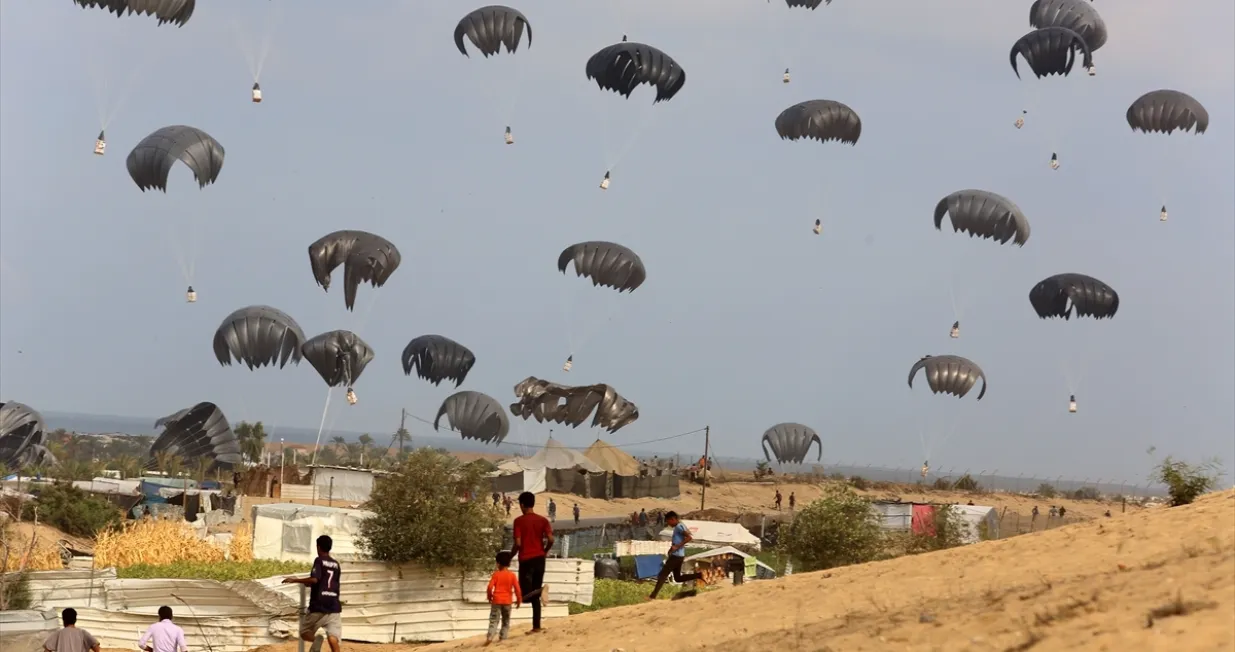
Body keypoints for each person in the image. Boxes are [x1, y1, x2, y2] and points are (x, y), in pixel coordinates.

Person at [283, 535, 342, 652]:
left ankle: (316, 640)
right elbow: (328, 582)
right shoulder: (336, 564)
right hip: (333, 605)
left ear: (318, 547)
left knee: (304, 632)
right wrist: (310, 583)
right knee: (333, 637)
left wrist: (295, 580)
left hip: (318, 604)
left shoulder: (319, 560)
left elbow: (315, 579)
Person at [511, 492, 553, 634]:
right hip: (540, 559)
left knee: (524, 595)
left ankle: (541, 591)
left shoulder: (518, 521)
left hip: (526, 560)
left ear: (522, 504)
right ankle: (536, 626)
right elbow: (551, 539)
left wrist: (511, 555)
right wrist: (545, 551)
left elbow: (518, 543)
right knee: (534, 593)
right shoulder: (543, 520)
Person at [648, 512, 702, 600]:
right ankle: (699, 575)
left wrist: (677, 546)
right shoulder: (681, 526)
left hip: (676, 556)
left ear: (673, 519)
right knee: (677, 578)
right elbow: (678, 541)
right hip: (679, 556)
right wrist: (671, 549)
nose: (668, 524)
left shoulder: (679, 527)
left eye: (668, 521)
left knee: (662, 575)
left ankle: (652, 596)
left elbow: (689, 538)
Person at [485, 551, 522, 645]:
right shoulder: (512, 575)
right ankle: (503, 638)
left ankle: (490, 636)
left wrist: (490, 596)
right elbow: (517, 589)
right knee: (506, 620)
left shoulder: (496, 574)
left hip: (496, 600)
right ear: (509, 563)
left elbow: (490, 587)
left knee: (494, 619)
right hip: (507, 601)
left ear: (498, 563)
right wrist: (519, 600)